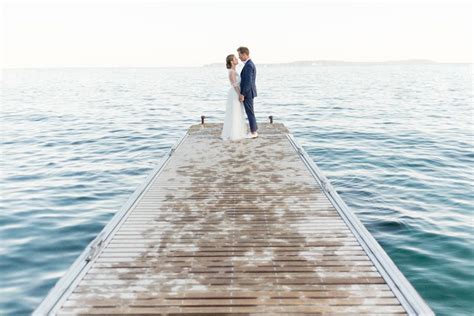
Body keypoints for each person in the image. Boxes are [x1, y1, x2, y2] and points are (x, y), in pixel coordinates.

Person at [221, 54, 248, 140]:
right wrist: (240, 94)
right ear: (232, 61)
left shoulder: (234, 70)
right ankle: (233, 133)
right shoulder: (231, 72)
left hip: (236, 92)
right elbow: (235, 84)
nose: (237, 59)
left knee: (238, 112)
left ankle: (238, 132)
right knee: (234, 112)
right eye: (235, 59)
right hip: (235, 93)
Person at [237, 46, 258, 138]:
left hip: (248, 93)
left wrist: (243, 94)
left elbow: (248, 82)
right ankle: (254, 130)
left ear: (245, 54)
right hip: (249, 92)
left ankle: (253, 132)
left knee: (250, 112)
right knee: (250, 112)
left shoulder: (249, 65)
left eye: (240, 55)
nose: (239, 57)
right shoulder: (249, 64)